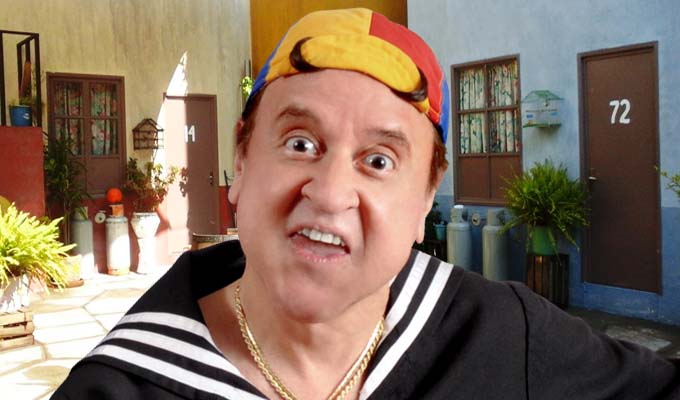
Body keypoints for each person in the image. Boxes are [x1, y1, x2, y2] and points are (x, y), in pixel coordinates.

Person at [53, 8, 679, 400]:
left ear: (425, 197)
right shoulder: (118, 386)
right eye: (300, 143)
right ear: (241, 163)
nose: (329, 194)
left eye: (379, 161)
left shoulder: (504, 335)